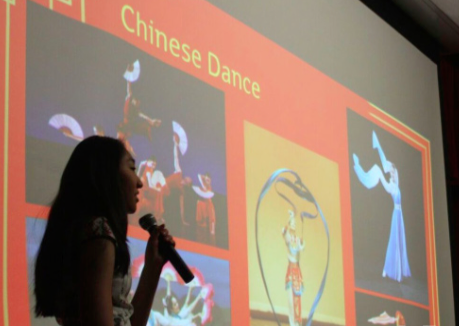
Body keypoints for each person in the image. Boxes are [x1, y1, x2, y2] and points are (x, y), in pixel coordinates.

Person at [34, 135, 175, 326]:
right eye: (132, 168)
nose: (139, 182)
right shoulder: (99, 233)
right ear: (107, 174)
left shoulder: (93, 231)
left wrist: (153, 267)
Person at [353, 131, 411, 282]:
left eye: (392, 170)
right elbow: (385, 173)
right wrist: (379, 171)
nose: (391, 171)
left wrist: (378, 148)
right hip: (396, 214)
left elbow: (388, 164)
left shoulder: (395, 179)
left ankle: (394, 270)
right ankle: (388, 270)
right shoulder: (391, 185)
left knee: (399, 242)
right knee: (394, 241)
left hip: (400, 215)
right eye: (390, 171)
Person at [282, 210, 305, 326]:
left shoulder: (297, 240)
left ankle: (298, 323)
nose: (293, 226)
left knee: (298, 301)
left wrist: (301, 244)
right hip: (291, 272)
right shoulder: (288, 238)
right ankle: (292, 323)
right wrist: (289, 218)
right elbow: (284, 232)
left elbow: (300, 249)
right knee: (290, 301)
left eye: (294, 224)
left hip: (297, 273)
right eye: (292, 223)